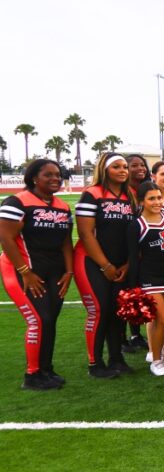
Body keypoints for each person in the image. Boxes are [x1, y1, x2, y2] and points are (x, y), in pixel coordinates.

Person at [0, 159, 74, 390]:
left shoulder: (62, 206)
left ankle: (46, 368)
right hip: (24, 271)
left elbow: (65, 243)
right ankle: (32, 375)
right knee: (38, 320)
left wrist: (69, 271)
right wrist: (25, 272)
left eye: (58, 175)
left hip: (55, 271)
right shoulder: (17, 202)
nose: (55, 178)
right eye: (48, 175)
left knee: (50, 321)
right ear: (34, 178)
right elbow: (6, 238)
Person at [74, 152, 136, 378]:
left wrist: (127, 264)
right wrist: (105, 265)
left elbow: (133, 234)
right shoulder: (92, 194)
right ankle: (95, 364)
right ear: (105, 169)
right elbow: (85, 233)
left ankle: (116, 359)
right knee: (99, 311)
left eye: (125, 167)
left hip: (121, 265)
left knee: (118, 312)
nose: (123, 171)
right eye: (116, 167)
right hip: (92, 262)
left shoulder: (129, 196)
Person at [126, 182, 164, 376]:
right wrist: (133, 289)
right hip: (150, 279)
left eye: (159, 197)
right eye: (152, 198)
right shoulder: (137, 225)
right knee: (163, 320)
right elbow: (133, 258)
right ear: (142, 201)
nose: (157, 202)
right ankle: (156, 360)